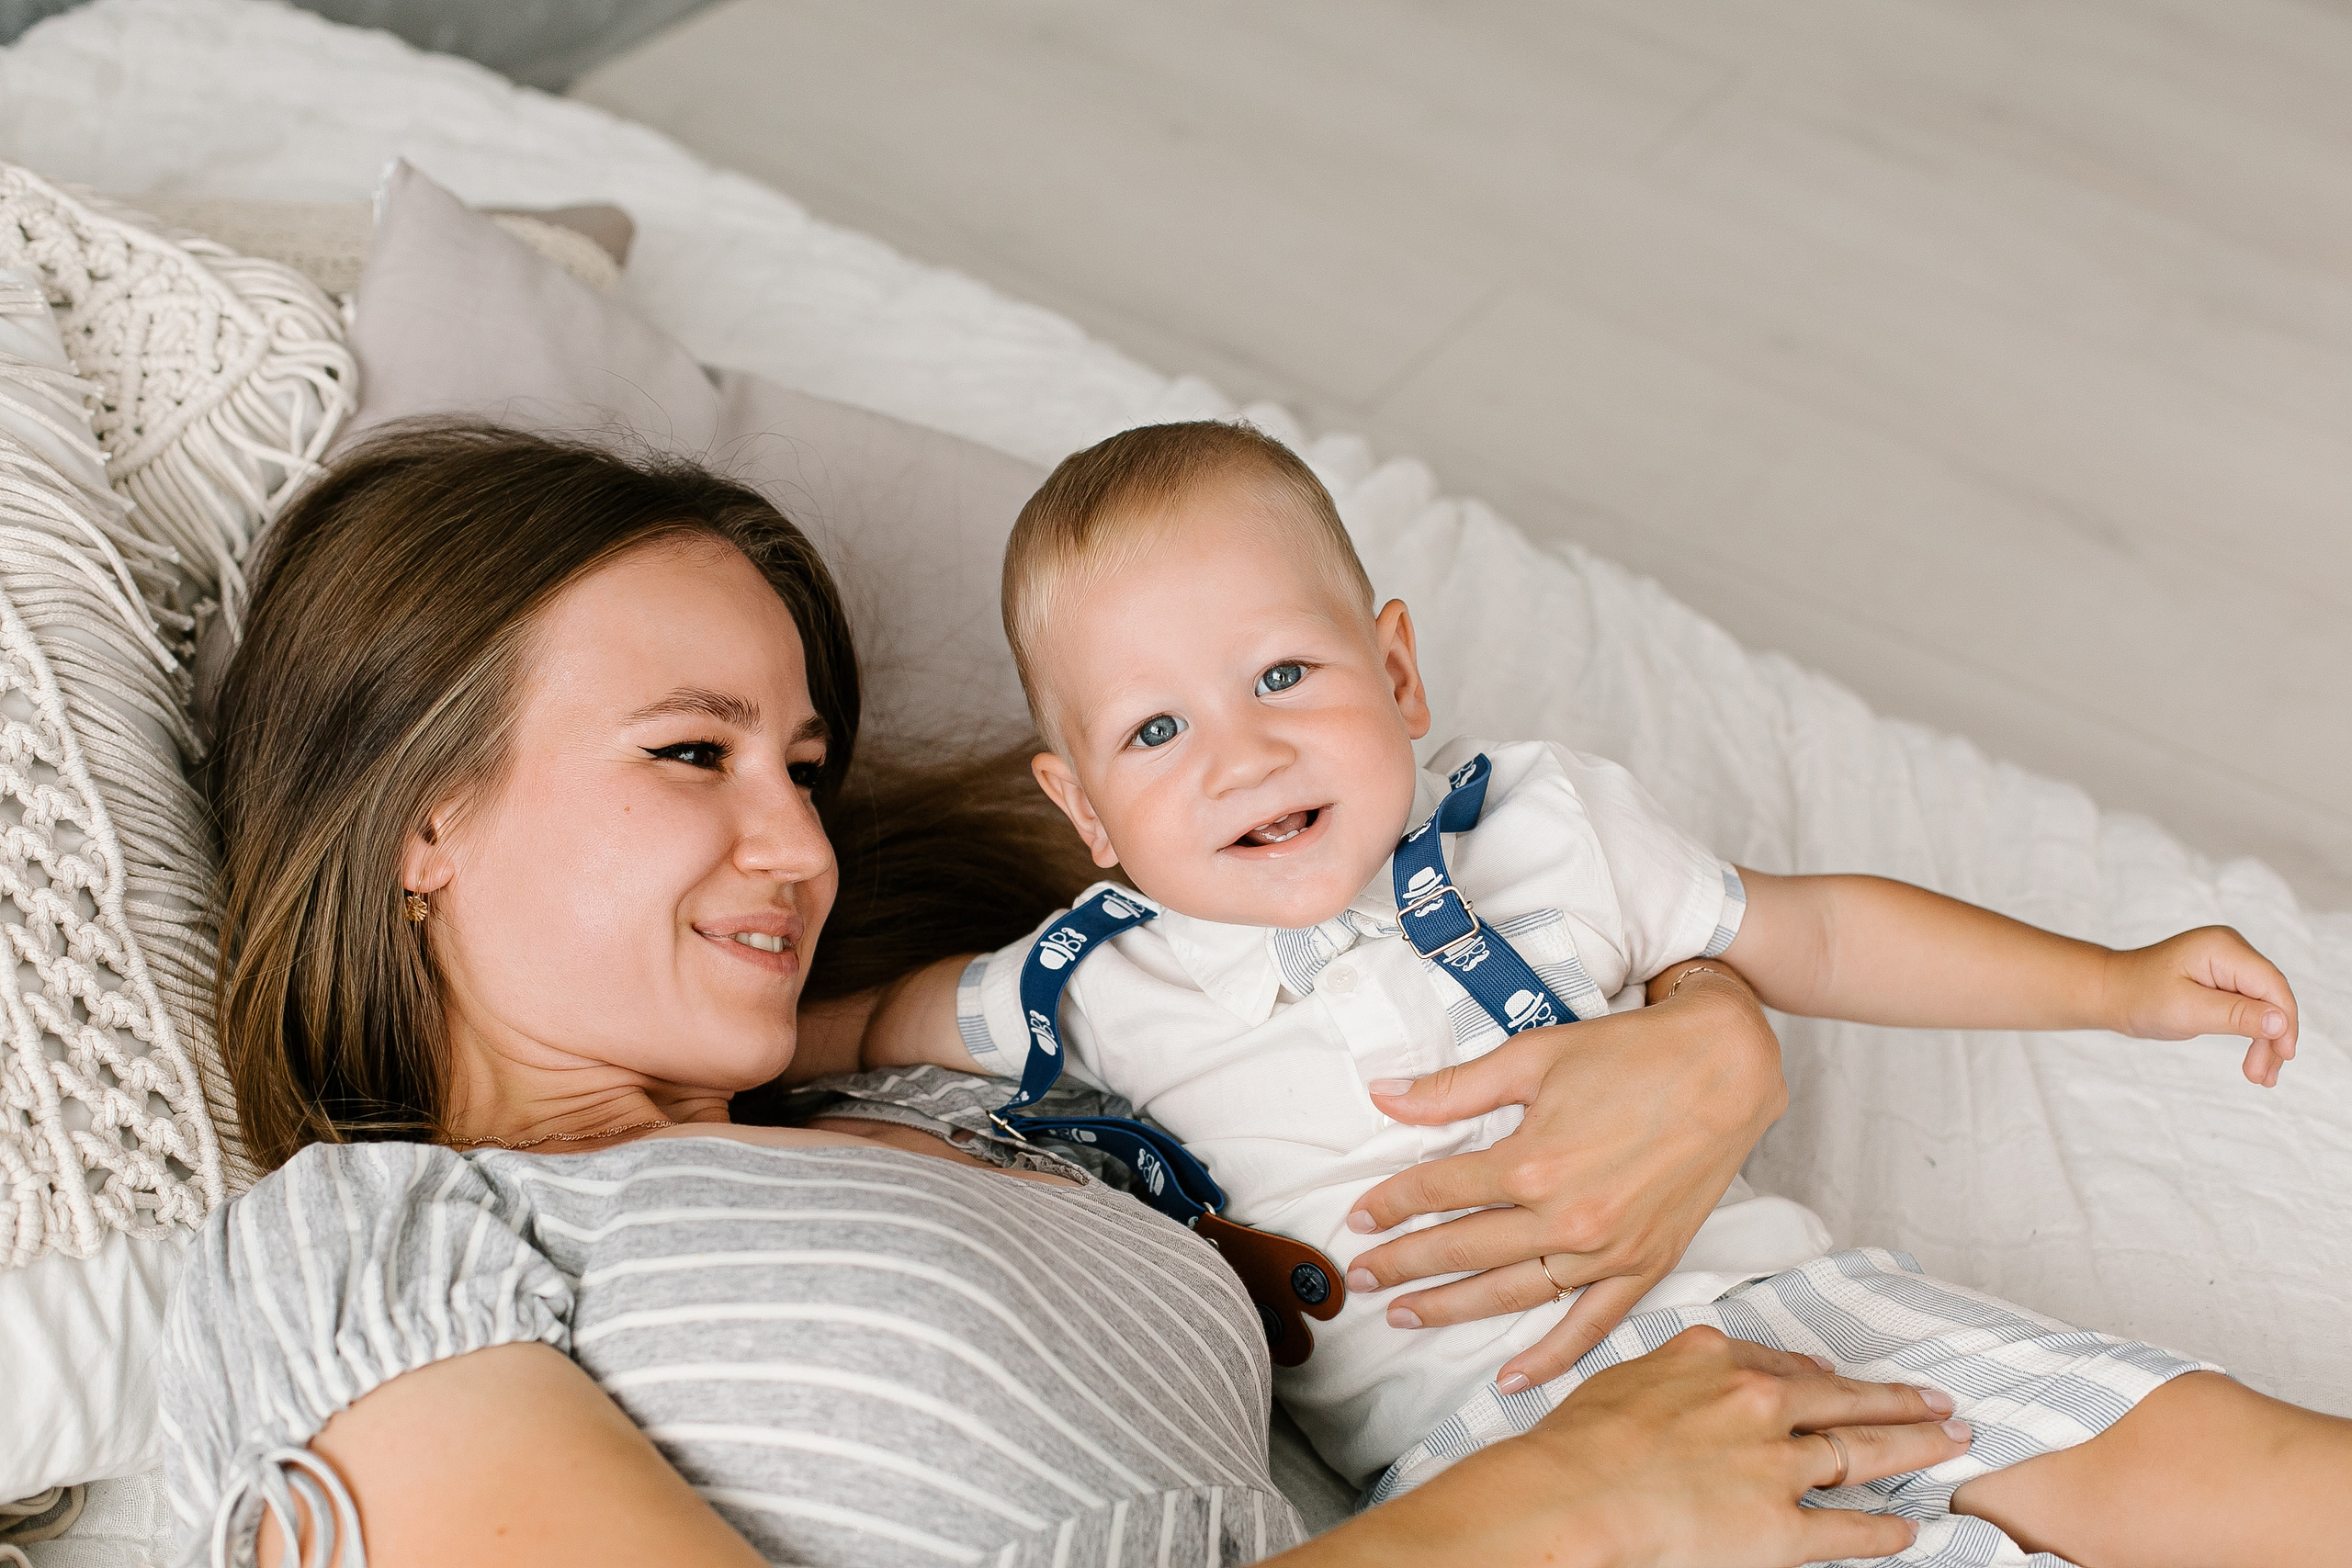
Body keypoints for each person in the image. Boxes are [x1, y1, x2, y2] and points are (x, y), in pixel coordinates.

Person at [164, 420, 1961, 1568]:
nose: (796, 840)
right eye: (691, 749)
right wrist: (1551, 1515)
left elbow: (1395, 932)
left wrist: (1705, 1029)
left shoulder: (980, 1098)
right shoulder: (358, 1248)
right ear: (422, 816)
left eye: (801, 764)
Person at [855, 419, 2350, 1563]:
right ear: (1090, 816)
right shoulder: (1091, 980)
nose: (1240, 756)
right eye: (1158, 727)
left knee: (2205, 1456)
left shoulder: (1542, 825)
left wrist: (2116, 986)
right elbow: (857, 1023)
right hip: (1505, 1453)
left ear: (1398, 673)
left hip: (1786, 1304)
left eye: (1285, 676)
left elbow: (1815, 935)